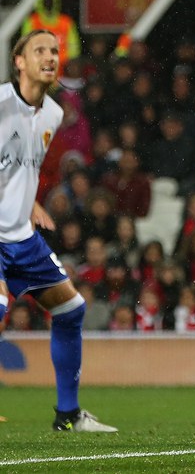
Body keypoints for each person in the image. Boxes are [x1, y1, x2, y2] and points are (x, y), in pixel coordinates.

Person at [0, 30, 116, 432]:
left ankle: (68, 416)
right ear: (19, 61)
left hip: (20, 236)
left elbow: (16, 167)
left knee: (71, 309)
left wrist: (26, 200)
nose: (50, 57)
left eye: (54, 50)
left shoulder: (51, 114)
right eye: (39, 51)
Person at [20, 0, 81, 68]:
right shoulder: (32, 22)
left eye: (50, 1)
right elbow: (26, 47)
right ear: (41, 2)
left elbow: (74, 49)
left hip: (63, 73)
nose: (48, 4)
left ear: (55, 1)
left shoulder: (66, 22)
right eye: (45, 1)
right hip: (39, 71)